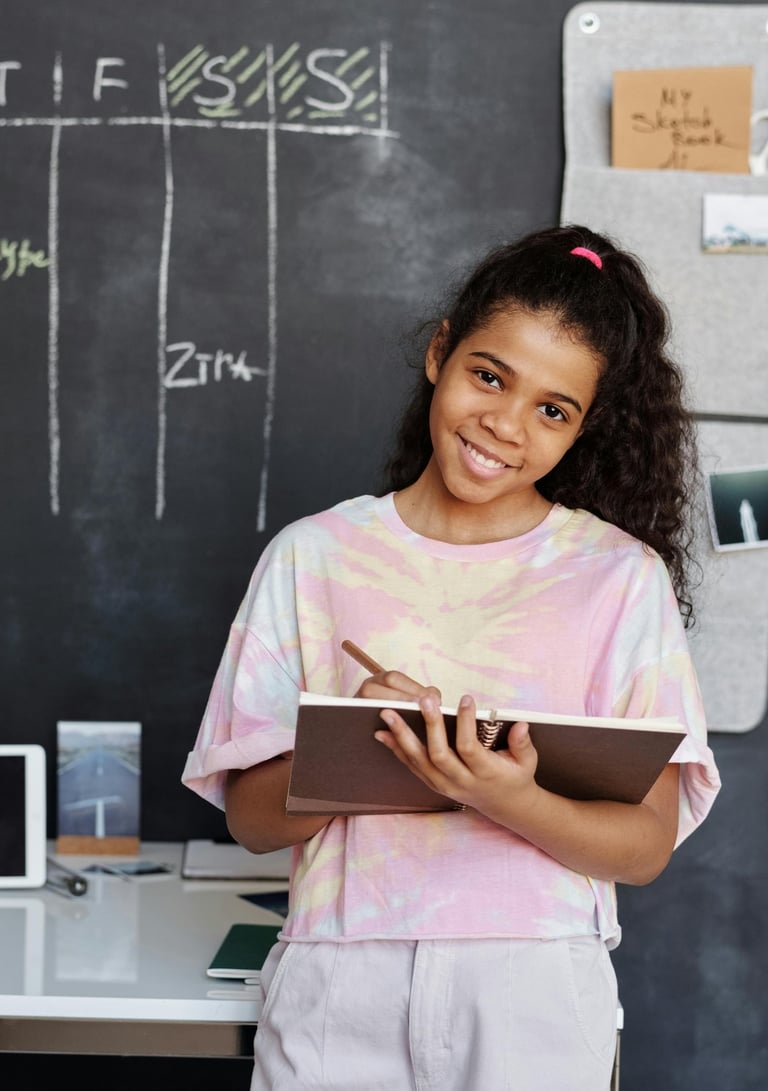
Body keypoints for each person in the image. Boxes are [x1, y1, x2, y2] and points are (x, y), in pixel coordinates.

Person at [182, 224, 721, 1091]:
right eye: (488, 376)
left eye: (553, 409)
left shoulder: (620, 579)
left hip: (532, 987)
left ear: (583, 427)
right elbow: (248, 819)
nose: (505, 424)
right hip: (339, 978)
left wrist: (501, 793)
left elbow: (645, 845)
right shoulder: (313, 557)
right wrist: (359, 748)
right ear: (442, 352)